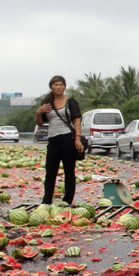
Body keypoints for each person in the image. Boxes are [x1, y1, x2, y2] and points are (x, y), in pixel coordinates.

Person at [35, 76, 83, 205]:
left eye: (61, 85)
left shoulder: (71, 102)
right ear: (51, 87)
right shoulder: (47, 104)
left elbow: (77, 120)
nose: (58, 87)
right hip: (53, 139)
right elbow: (40, 123)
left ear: (64, 87)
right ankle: (47, 201)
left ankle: (67, 200)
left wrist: (77, 139)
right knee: (50, 172)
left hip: (68, 138)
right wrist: (38, 112)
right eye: (56, 85)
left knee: (69, 171)